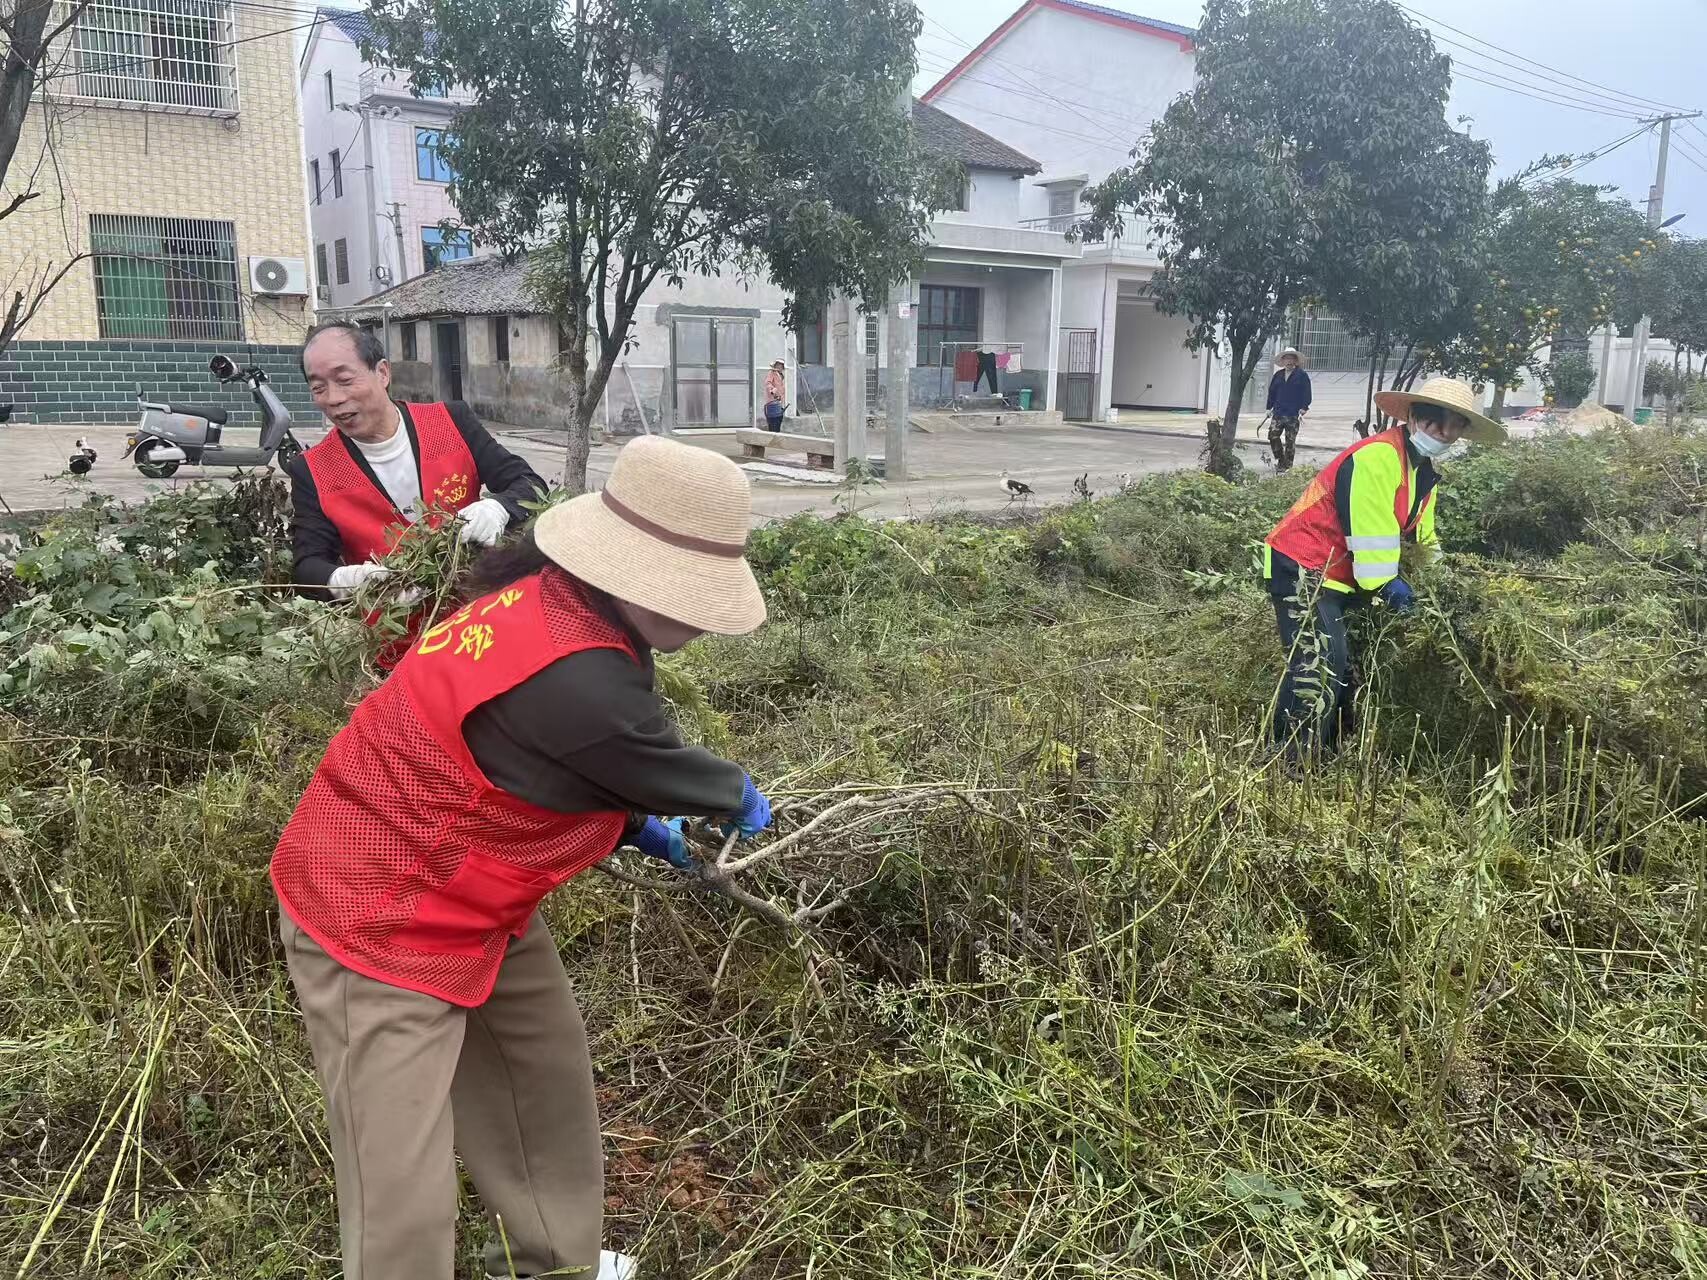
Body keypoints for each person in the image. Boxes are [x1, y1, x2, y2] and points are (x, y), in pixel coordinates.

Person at [271, 435, 773, 1280]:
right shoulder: (582, 676)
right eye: (687, 593)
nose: (698, 615)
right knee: (399, 1171)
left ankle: (556, 1264)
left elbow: (527, 757)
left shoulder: (557, 601)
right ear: (628, 573)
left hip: (471, 887)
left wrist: (622, 824)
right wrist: (727, 793)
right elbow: (640, 758)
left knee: (539, 1077)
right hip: (373, 906)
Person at [1262, 376, 1505, 756]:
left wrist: (1444, 589)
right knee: (1319, 663)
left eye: (1453, 424)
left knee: (1345, 668)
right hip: (1304, 564)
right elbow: (1371, 542)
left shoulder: (1423, 473)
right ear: (1412, 416)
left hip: (1342, 573)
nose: (1442, 430)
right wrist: (1397, 591)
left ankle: (1327, 755)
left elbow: (1425, 542)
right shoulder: (1377, 457)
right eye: (1433, 419)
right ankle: (1288, 762)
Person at [287, 322, 548, 602]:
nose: (334, 398)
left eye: (345, 380)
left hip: (476, 613)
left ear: (382, 372)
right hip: (391, 629)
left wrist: (497, 508)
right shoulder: (313, 470)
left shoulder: (451, 422)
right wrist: (351, 581)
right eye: (318, 388)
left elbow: (530, 485)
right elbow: (308, 567)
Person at [1265, 346, 1312, 472]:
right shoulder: (1278, 375)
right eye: (1287, 358)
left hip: (1293, 413)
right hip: (1278, 412)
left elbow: (1307, 393)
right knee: (1273, 436)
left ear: (1296, 361)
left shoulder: (1302, 376)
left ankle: (1287, 467)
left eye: (1292, 358)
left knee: (1290, 441)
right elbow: (1272, 392)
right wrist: (1268, 407)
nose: (1289, 361)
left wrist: (1304, 407)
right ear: (1283, 360)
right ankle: (1281, 459)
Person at [763, 359, 787, 432]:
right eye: (778, 365)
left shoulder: (780, 374)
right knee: (773, 420)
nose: (780, 367)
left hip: (779, 400)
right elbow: (768, 383)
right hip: (772, 400)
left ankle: (777, 435)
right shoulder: (772, 373)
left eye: (781, 365)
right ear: (775, 365)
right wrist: (773, 390)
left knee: (779, 419)